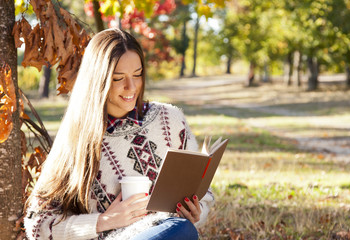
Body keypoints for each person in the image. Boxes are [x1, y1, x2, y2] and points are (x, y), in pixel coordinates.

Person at [24, 28, 214, 240]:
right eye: (118, 78)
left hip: (171, 232)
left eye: (137, 75)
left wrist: (197, 212)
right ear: (99, 79)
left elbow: (203, 195)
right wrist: (105, 221)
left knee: (181, 229)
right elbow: (37, 224)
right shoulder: (75, 140)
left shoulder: (170, 119)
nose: (131, 87)